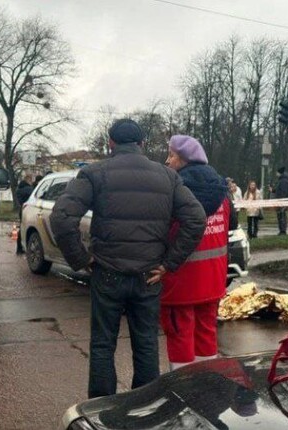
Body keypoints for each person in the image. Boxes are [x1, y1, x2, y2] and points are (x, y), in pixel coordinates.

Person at [50, 119, 206, 398]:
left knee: (102, 344)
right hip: (149, 276)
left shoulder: (94, 173)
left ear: (110, 143)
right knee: (146, 343)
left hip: (106, 272)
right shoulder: (167, 176)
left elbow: (61, 217)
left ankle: (100, 412)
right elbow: (196, 219)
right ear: (142, 144)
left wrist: (82, 259)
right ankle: (144, 410)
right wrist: (169, 263)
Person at [161, 135, 237, 370]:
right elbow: (232, 224)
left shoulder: (174, 190)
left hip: (181, 279)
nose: (167, 161)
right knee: (206, 333)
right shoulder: (222, 190)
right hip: (213, 278)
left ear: (183, 160)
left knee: (179, 334)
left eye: (171, 155)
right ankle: (207, 383)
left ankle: (182, 389)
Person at [15, 174, 34, 254]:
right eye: (31, 180)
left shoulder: (18, 189)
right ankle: (28, 247)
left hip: (22, 210)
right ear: (28, 180)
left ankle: (19, 248)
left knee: (22, 228)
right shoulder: (29, 189)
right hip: (29, 210)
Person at [270, 166, 288, 235]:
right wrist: (273, 190)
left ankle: (283, 231)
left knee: (282, 216)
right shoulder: (281, 180)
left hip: (282, 202)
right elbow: (279, 190)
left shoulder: (283, 181)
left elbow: (283, 192)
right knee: (280, 216)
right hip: (280, 201)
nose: (276, 174)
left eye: (277, 172)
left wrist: (281, 201)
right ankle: (281, 230)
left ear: (280, 173)